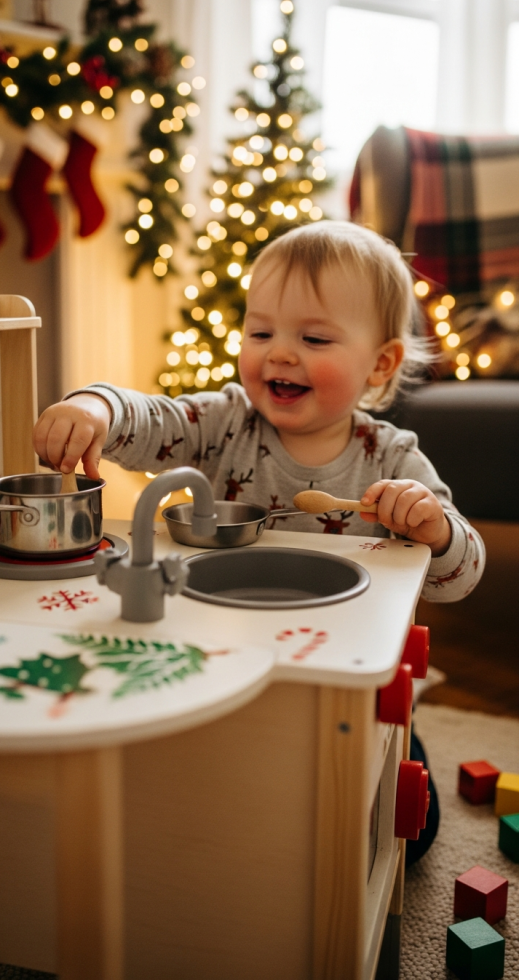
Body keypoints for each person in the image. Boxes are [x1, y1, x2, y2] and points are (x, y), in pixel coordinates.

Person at [34, 221, 485, 858]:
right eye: (261, 331)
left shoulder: (392, 458)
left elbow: (460, 576)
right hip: (223, 663)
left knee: (405, 832)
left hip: (347, 685)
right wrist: (96, 408)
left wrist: (435, 529)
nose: (278, 353)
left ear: (379, 363)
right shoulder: (223, 424)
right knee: (208, 812)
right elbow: (154, 419)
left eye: (314, 338)